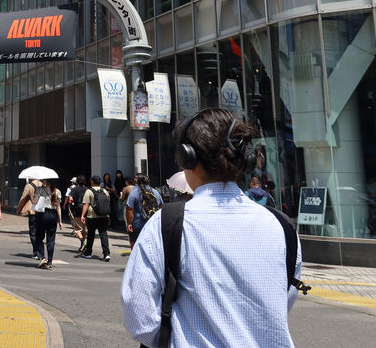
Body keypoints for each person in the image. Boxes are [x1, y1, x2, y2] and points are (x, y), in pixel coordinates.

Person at [121, 108, 300, 347]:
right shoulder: (282, 227)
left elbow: (140, 319)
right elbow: (282, 302)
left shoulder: (166, 224)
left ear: (187, 157)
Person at [125, 174, 163, 250]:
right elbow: (161, 207)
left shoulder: (134, 192)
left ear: (138, 182)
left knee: (135, 246)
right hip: (152, 224)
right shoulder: (155, 192)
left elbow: (129, 209)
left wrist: (129, 223)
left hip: (137, 224)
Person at [33, 180, 63, 270]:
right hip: (53, 215)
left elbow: (35, 203)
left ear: (46, 181)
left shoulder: (40, 190)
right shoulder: (57, 191)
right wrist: (60, 221)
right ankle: (50, 262)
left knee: (38, 236)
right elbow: (58, 206)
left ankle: (42, 257)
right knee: (51, 239)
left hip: (42, 214)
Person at [80, 175, 111, 261]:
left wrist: (83, 215)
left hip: (92, 216)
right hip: (104, 216)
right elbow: (107, 203)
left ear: (92, 182)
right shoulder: (104, 191)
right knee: (103, 234)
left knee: (91, 235)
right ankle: (106, 254)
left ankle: (88, 253)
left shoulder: (89, 191)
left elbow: (86, 204)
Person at [17, 178, 45, 259]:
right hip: (41, 211)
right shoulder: (43, 185)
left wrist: (19, 209)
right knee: (39, 231)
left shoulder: (29, 186)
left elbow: (23, 198)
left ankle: (36, 252)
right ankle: (40, 252)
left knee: (33, 232)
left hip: (32, 211)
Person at [66, 176, 88, 250]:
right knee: (84, 229)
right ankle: (83, 245)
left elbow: (70, 199)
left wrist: (70, 203)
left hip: (78, 211)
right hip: (86, 211)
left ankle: (83, 241)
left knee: (77, 230)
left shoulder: (74, 189)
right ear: (85, 182)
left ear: (77, 182)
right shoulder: (87, 189)